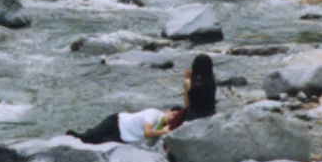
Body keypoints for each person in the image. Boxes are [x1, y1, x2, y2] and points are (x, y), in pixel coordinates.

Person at [68, 53, 217, 144]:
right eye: (173, 114)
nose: (173, 117)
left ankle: (81, 137)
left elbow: (188, 104)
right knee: (91, 137)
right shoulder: (213, 82)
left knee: (99, 141)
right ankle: (78, 137)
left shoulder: (189, 83)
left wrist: (187, 81)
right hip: (118, 122)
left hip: (125, 133)